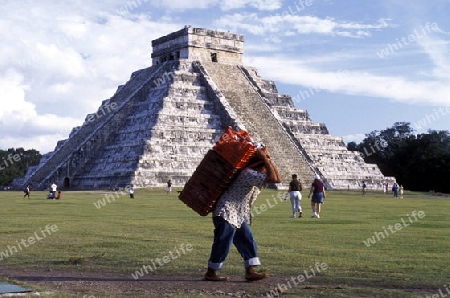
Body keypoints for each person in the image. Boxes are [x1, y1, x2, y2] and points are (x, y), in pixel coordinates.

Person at [204, 147, 281, 282]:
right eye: (264, 167)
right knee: (223, 242)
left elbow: (278, 178)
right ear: (258, 165)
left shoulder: (254, 174)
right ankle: (211, 272)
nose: (266, 170)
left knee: (247, 239)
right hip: (226, 211)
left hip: (237, 213)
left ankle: (250, 271)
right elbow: (274, 179)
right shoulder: (248, 174)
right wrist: (265, 159)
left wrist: (268, 159)